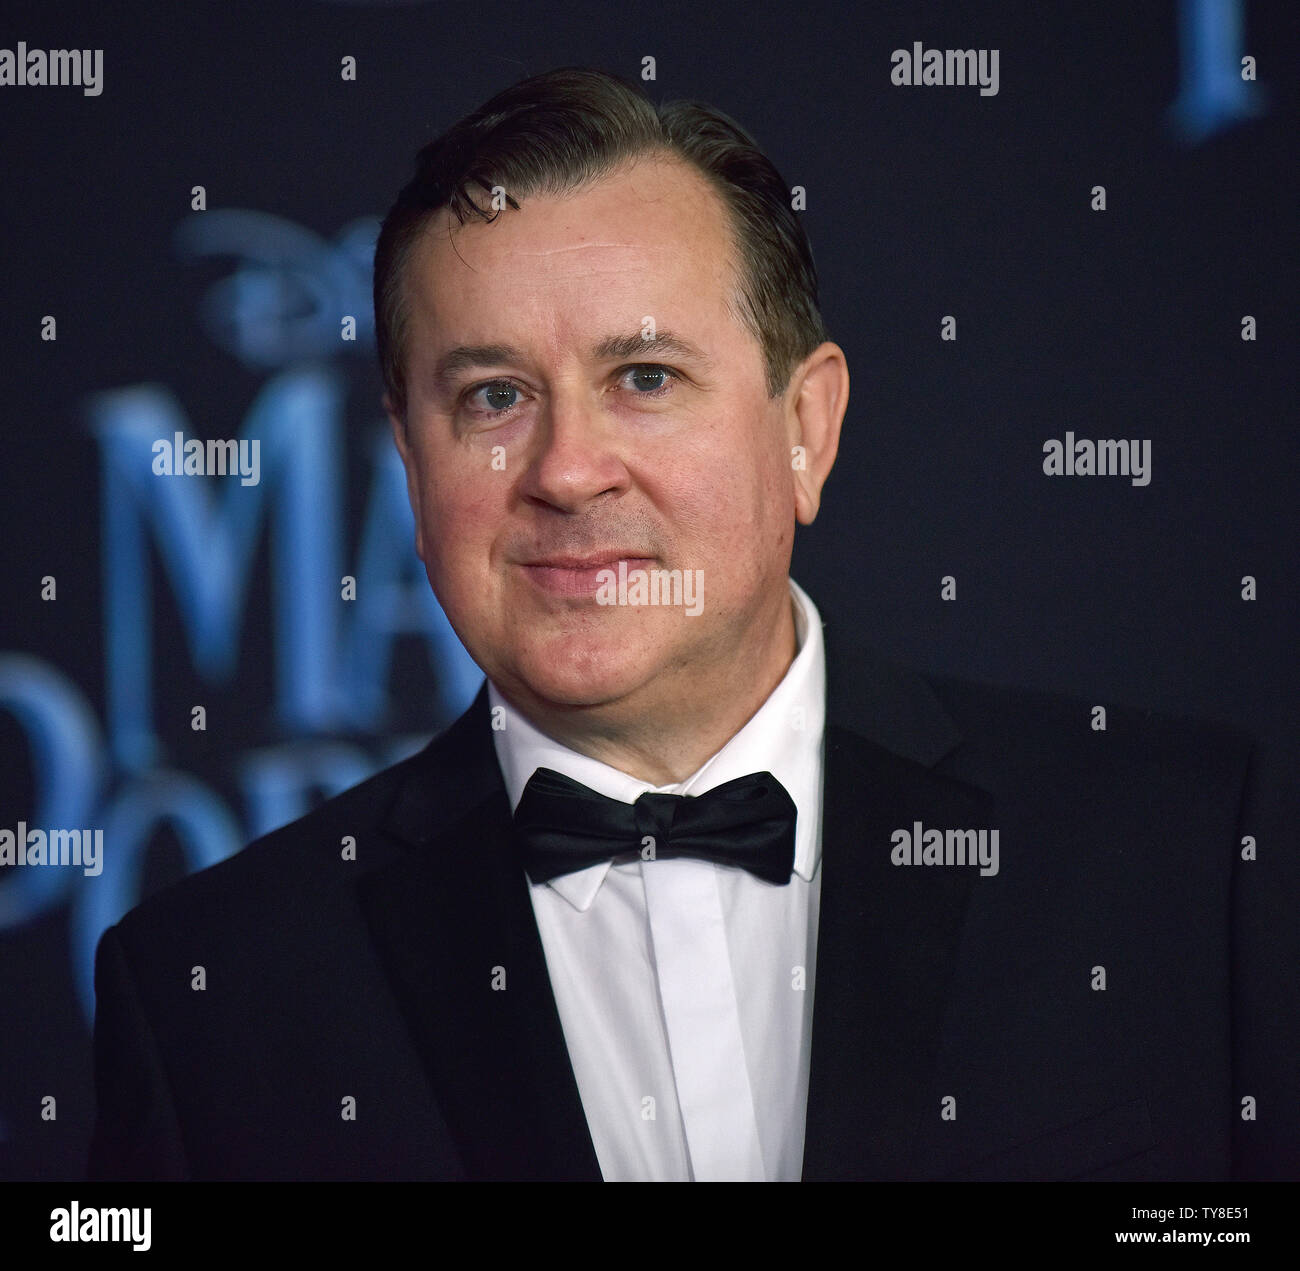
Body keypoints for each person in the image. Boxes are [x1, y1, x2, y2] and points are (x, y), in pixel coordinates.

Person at [88, 66, 1262, 1181]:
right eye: (492, 395)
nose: (567, 470)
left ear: (806, 427)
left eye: (643, 375)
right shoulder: (210, 993)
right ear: (409, 461)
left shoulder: (1181, 853)